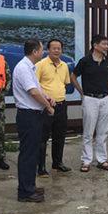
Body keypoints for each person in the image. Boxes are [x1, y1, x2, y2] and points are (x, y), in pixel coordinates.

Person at [12, 38, 55, 202]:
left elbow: (38, 89)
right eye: (42, 50)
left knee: (33, 152)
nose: (43, 52)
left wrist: (47, 97)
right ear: (35, 51)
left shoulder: (31, 67)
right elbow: (33, 92)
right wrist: (48, 106)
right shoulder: (23, 68)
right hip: (28, 115)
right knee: (28, 154)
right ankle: (25, 192)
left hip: (34, 115)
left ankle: (29, 185)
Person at [71, 34, 108, 172]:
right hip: (90, 99)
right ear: (95, 45)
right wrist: (81, 92)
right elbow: (73, 76)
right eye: (104, 44)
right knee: (88, 131)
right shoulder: (85, 61)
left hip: (105, 99)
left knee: (103, 131)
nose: (106, 47)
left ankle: (102, 160)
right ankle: (86, 161)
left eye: (107, 44)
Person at [36, 39, 72, 175]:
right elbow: (35, 85)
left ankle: (57, 163)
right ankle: (41, 167)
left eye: (59, 48)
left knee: (60, 136)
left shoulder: (64, 66)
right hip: (46, 106)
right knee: (43, 137)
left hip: (61, 105)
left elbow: (65, 83)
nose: (57, 51)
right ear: (48, 50)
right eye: (54, 48)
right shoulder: (41, 65)